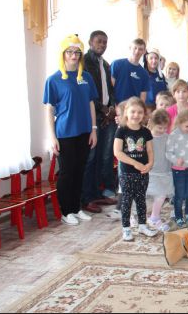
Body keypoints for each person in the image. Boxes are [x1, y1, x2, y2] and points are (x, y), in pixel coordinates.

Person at [44, 34, 98, 226]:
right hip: (65, 133)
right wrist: (52, 137)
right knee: (67, 173)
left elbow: (91, 103)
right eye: (70, 52)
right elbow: (49, 110)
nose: (74, 56)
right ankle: (66, 212)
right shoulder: (53, 80)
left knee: (80, 171)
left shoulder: (86, 77)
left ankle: (76, 208)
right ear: (63, 54)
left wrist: (93, 129)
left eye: (77, 52)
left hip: (84, 132)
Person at [82, 30, 118, 213]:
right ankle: (86, 198)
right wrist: (102, 109)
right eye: (99, 41)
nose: (102, 45)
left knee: (104, 157)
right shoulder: (83, 62)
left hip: (106, 116)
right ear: (90, 42)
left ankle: (97, 193)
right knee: (90, 158)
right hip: (91, 116)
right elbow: (86, 92)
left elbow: (110, 91)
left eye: (105, 42)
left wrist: (111, 109)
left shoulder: (105, 64)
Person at [113, 97, 158, 241]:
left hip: (143, 172)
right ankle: (126, 228)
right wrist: (135, 164)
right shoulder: (121, 131)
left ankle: (142, 225)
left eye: (140, 112)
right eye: (133, 112)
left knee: (141, 199)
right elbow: (117, 152)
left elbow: (150, 150)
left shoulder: (146, 132)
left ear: (144, 114)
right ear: (126, 112)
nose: (136, 115)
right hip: (127, 173)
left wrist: (150, 164)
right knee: (126, 201)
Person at [146, 109, 173, 232]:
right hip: (151, 171)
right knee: (144, 195)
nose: (162, 130)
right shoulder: (147, 137)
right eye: (159, 128)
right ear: (152, 123)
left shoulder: (168, 137)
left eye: (165, 128)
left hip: (164, 171)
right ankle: (137, 216)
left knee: (161, 195)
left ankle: (154, 217)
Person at [111, 38, 150, 104]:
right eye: (135, 48)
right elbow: (110, 88)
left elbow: (142, 97)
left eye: (140, 49)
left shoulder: (144, 73)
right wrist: (113, 105)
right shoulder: (117, 64)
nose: (137, 51)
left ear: (144, 51)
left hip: (133, 108)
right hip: (117, 106)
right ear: (130, 48)